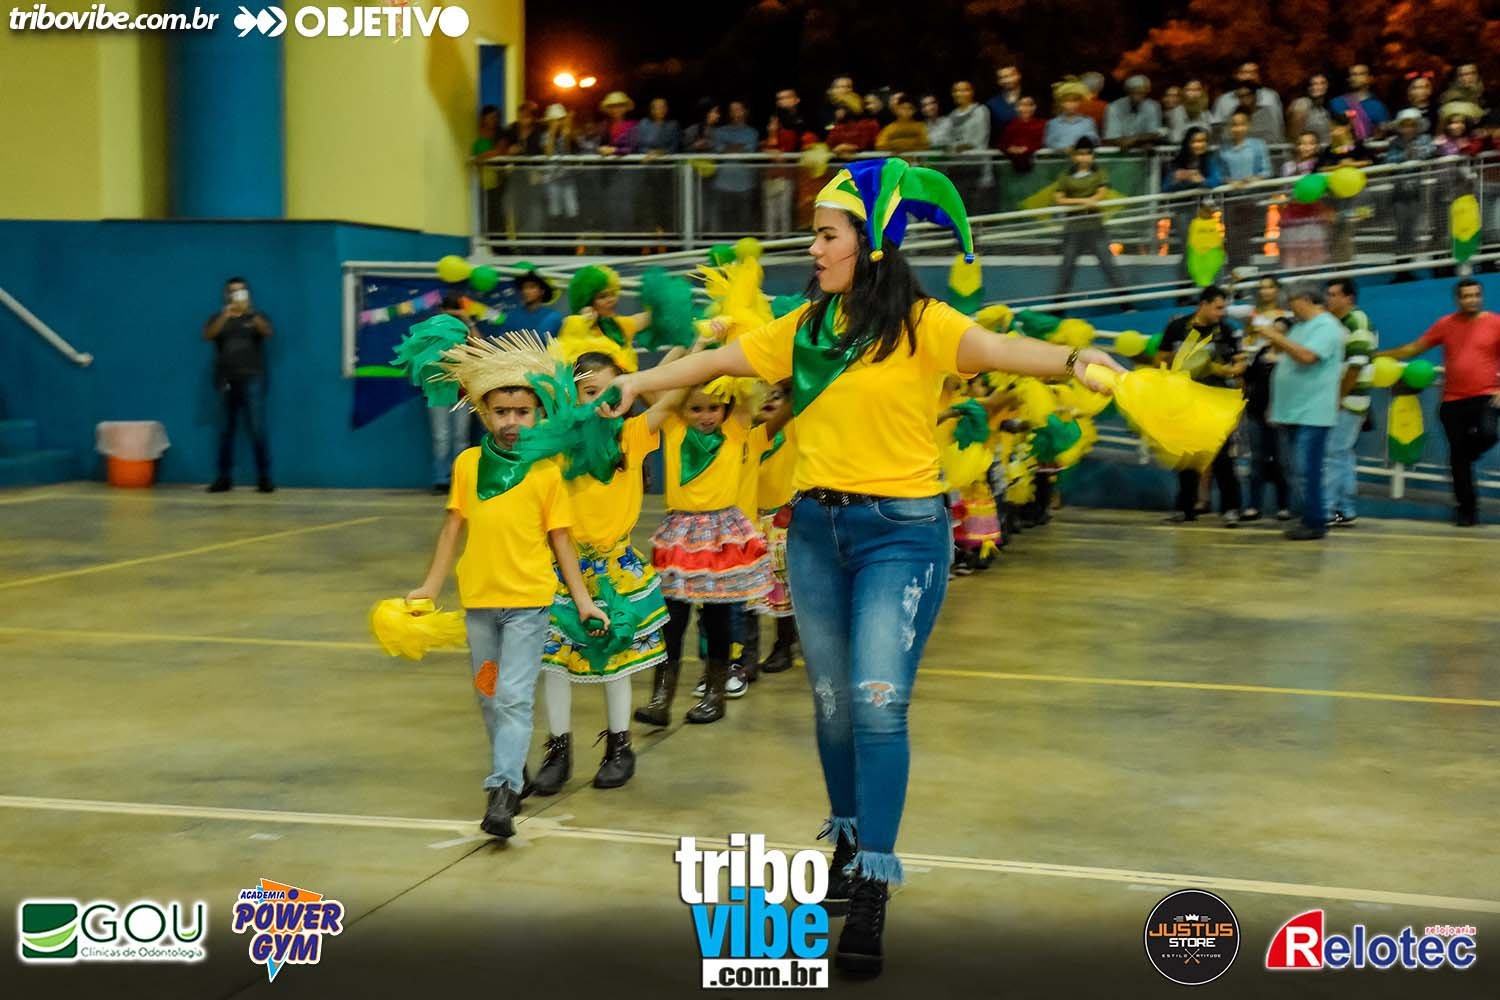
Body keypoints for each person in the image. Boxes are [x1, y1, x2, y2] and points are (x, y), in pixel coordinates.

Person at [599, 157, 1121, 975]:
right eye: (814, 235)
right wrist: (637, 381)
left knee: (878, 706)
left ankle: (874, 876)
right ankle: (847, 842)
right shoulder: (804, 329)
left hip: (902, 536)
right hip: (815, 532)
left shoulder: (922, 323)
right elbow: (719, 363)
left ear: (869, 243)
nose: (813, 248)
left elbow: (996, 347)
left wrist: (1073, 361)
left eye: (826, 234)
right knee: (834, 707)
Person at [406, 335, 608, 839]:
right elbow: (452, 528)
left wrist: (583, 601)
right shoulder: (467, 465)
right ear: (484, 413)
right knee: (488, 694)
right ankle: (513, 768)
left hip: (528, 604)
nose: (511, 422)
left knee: (514, 696)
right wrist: (430, 587)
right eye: (501, 412)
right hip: (480, 602)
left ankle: (502, 791)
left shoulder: (546, 472)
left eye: (522, 412)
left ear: (537, 414)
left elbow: (561, 541)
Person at [531, 341, 694, 795]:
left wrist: (698, 349)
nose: (598, 402)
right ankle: (558, 750)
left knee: (617, 662)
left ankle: (620, 747)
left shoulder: (632, 435)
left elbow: (673, 398)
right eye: (587, 393)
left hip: (615, 570)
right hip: (562, 569)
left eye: (608, 392)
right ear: (569, 396)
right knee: (554, 663)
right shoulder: (556, 445)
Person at [638, 379, 775, 726]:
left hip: (720, 534)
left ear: (726, 408)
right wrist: (695, 354)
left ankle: (715, 694)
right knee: (672, 619)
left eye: (714, 408)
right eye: (696, 408)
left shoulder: (735, 428)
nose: (706, 416)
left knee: (718, 619)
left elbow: (748, 385)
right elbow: (659, 383)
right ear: (682, 407)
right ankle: (661, 697)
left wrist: (726, 366)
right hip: (679, 534)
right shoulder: (673, 426)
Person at [1378, 279, 1500, 526]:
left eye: (1476, 295)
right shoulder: (1446, 324)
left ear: (1481, 297)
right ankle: (1466, 509)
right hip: (1452, 401)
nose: (1472, 300)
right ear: (1458, 299)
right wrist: (1377, 355)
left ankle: (1466, 456)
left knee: (1487, 435)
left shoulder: (1495, 323)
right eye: (1466, 296)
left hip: (1486, 396)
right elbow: (1414, 348)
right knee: (1458, 457)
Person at [1257, 284, 1346, 540]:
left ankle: (1316, 522)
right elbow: (1284, 357)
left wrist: (1275, 337)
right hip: (1292, 411)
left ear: (1305, 299)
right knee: (1296, 470)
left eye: (1292, 302)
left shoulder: (1327, 326)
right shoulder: (1300, 327)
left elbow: (1307, 356)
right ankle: (1309, 517)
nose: (1289, 308)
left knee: (1307, 470)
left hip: (1312, 412)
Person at [1159, 286, 1244, 525]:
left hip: (1215, 400)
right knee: (1187, 456)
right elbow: (1160, 360)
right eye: (1218, 308)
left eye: (1224, 308)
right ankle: (1185, 509)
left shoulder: (1227, 331)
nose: (1221, 313)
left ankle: (1230, 509)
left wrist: (1218, 369)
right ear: (1203, 304)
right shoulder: (1177, 327)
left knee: (1222, 457)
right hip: (1185, 400)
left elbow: (1240, 366)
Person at [203, 277, 273, 493]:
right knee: (225, 431)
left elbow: (268, 332)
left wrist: (250, 313)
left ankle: (264, 477)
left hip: (253, 379)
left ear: (247, 293)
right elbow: (208, 335)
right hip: (226, 381)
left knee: (257, 429)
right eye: (233, 291)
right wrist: (225, 315)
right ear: (226, 295)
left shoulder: (257, 316)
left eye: (241, 291)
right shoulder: (218, 318)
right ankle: (224, 478)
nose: (237, 295)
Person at [1231, 278, 1291, 521]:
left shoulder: (1291, 358)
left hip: (1281, 415)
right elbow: (1248, 377)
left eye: (1281, 331)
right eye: (1273, 331)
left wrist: (1276, 408)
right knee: (1256, 459)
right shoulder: (1261, 354)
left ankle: (1284, 506)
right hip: (1256, 411)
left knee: (1281, 461)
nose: (1275, 335)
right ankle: (1253, 505)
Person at [1321, 278, 1377, 528]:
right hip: (1347, 399)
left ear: (1349, 298)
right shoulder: (1339, 323)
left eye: (1334, 294)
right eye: (1328, 294)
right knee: (1342, 455)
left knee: (1333, 454)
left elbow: (1356, 366)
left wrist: (1338, 398)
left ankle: (1327, 510)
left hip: (1349, 400)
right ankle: (1345, 509)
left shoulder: (1357, 322)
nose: (1328, 299)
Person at [1052, 136, 1123, 297]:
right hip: (1073, 228)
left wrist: (1091, 200)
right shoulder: (1065, 175)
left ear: (1093, 155)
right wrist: (1084, 201)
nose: (1084, 157)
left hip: (1095, 227)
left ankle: (1127, 303)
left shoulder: (1099, 173)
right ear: (1074, 156)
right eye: (1080, 153)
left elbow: (1101, 193)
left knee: (1109, 265)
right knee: (1066, 269)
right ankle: (1058, 305)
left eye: (1088, 153)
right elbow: (1059, 199)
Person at [1218, 110, 1270, 268]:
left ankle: (1250, 274)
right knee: (1232, 240)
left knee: (1250, 240)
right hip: (1231, 200)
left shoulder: (1258, 145)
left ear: (1248, 126)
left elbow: (1266, 171)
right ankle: (1235, 275)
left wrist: (1253, 179)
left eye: (1241, 124)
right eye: (1234, 125)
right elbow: (1220, 174)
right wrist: (1229, 182)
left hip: (1252, 199)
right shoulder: (1223, 149)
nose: (1238, 128)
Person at [1279, 131, 1331, 268]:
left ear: (1317, 146)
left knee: (1314, 259)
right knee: (1292, 259)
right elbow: (1285, 190)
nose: (1306, 147)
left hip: (1315, 216)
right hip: (1292, 217)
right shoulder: (1288, 166)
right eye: (1302, 144)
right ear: (1297, 146)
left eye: (1311, 143)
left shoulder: (1321, 165)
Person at [942, 80, 993, 212]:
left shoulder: (981, 111)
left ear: (971, 92)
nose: (960, 93)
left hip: (976, 167)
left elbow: (980, 138)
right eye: (957, 91)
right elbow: (946, 140)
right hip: (956, 168)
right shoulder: (951, 115)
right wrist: (953, 148)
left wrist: (964, 146)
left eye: (964, 90)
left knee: (976, 208)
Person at [711, 101, 761, 234]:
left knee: (745, 221)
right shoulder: (720, 131)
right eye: (732, 110)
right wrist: (739, 146)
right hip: (723, 184)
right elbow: (719, 150)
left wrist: (728, 147)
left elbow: (749, 151)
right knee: (724, 223)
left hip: (745, 184)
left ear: (745, 111)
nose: (735, 113)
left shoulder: (752, 132)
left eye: (738, 109)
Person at [1212, 61, 1284, 137]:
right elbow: (1217, 131)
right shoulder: (1223, 100)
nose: (1250, 76)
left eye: (1254, 72)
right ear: (1236, 75)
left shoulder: (1270, 97)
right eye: (1245, 72)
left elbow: (1277, 128)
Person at [498, 265, 563, 340]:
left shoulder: (554, 318)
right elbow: (503, 342)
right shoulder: (511, 317)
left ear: (542, 291)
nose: (526, 291)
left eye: (531, 287)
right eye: (523, 288)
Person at [1330, 64, 1391, 140]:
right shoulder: (1336, 102)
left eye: (1361, 74)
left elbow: (1384, 132)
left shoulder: (1378, 106)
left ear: (1370, 78)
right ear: (1349, 79)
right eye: (1353, 74)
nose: (1355, 77)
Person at [1103, 75, 1164, 149]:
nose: (1136, 97)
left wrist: (1135, 138)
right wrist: (1128, 141)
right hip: (1119, 149)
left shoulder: (1153, 106)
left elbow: (1154, 133)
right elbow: (1111, 137)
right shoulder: (1114, 107)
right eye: (1133, 92)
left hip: (1143, 149)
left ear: (1147, 92)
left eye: (1141, 93)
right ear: (1127, 92)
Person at [1044, 80, 1100, 150]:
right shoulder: (1053, 123)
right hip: (1060, 156)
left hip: (1081, 155)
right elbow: (1049, 143)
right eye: (1067, 101)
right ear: (1061, 103)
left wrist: (1081, 145)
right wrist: (1064, 148)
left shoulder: (1088, 122)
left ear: (1079, 102)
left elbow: (1094, 140)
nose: (1071, 105)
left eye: (1075, 101)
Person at [998, 96, 1046, 172]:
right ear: (1016, 108)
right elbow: (1001, 144)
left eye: (1029, 105)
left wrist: (1027, 148)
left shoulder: (1042, 124)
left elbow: (1043, 142)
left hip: (1039, 167)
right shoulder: (1010, 125)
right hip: (1012, 168)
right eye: (1022, 105)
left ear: (1034, 107)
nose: (1026, 109)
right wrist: (1009, 149)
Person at [1286, 74, 1333, 145]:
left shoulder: (1323, 110)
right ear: (1308, 87)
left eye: (1322, 83)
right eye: (1313, 84)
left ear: (1327, 86)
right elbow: (1294, 136)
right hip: (1308, 150)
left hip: (1324, 150)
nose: (1318, 87)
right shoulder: (1302, 103)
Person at [986, 64, 1023, 135]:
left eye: (1010, 75)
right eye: (1002, 77)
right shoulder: (992, 104)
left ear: (1019, 75)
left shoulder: (1034, 99)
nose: (1007, 80)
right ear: (998, 81)